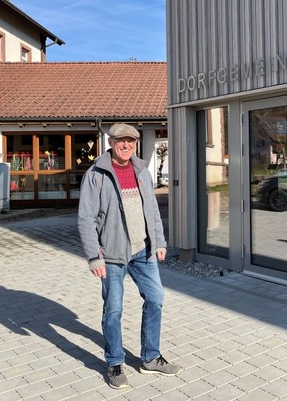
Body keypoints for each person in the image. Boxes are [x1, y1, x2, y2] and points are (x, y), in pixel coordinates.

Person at [78, 123, 181, 389]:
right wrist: (93, 256)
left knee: (156, 298)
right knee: (113, 309)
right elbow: (86, 218)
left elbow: (153, 211)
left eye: (131, 141)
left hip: (143, 251)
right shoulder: (96, 174)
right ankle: (114, 363)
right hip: (111, 255)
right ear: (110, 142)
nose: (126, 145)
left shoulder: (142, 172)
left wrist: (158, 241)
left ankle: (150, 358)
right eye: (121, 141)